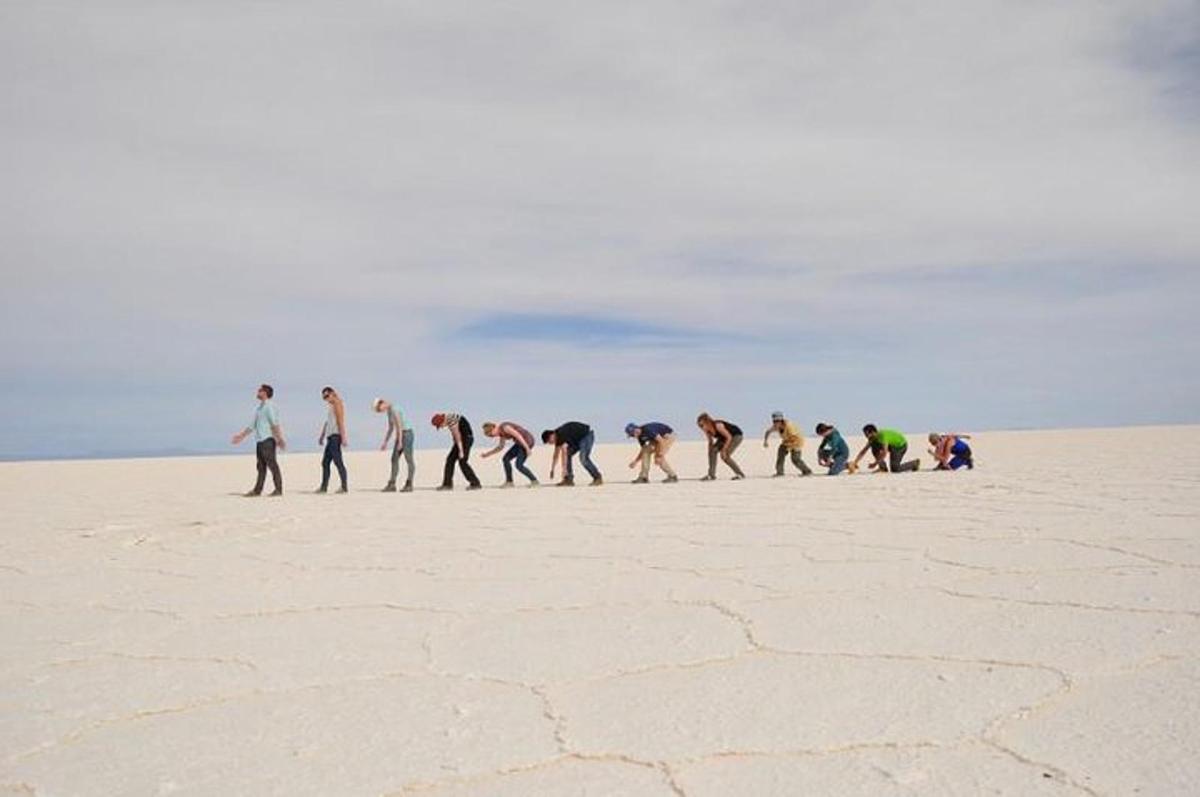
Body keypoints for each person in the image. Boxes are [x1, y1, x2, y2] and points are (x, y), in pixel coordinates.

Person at [230, 383, 286, 496]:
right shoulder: (259, 408)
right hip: (260, 441)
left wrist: (279, 439)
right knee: (260, 467)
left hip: (268, 440)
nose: (258, 392)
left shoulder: (269, 406)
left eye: (260, 390)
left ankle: (278, 490)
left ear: (265, 393)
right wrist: (240, 436)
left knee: (272, 465)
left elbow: (274, 424)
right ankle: (257, 490)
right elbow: (252, 426)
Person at [542, 422, 603, 486]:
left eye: (549, 441)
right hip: (576, 441)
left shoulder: (561, 434)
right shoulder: (558, 438)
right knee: (569, 454)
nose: (550, 443)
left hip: (586, 436)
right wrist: (552, 469)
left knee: (583, 458)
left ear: (552, 434)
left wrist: (564, 471)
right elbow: (556, 455)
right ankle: (569, 480)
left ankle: (597, 477)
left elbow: (564, 453)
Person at [432, 412, 482, 490]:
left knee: (462, 461)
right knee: (450, 460)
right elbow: (455, 436)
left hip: (466, 439)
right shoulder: (449, 418)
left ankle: (475, 483)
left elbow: (457, 435)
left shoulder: (451, 419)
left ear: (442, 421)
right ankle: (447, 484)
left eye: (440, 425)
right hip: (462, 440)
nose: (441, 427)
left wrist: (461, 451)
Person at [481, 421, 538, 487]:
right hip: (519, 443)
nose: (493, 436)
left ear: (494, 428)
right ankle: (509, 482)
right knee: (506, 459)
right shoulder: (501, 434)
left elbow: (518, 435)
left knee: (519, 465)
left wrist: (527, 448)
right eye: (491, 436)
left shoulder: (505, 427)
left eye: (492, 434)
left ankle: (534, 481)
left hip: (526, 441)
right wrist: (487, 454)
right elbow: (500, 447)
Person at [374, 398, 414, 492]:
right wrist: (385, 442)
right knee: (394, 459)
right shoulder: (389, 412)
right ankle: (392, 484)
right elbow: (391, 428)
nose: (380, 412)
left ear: (382, 403)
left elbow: (399, 426)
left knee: (409, 459)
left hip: (406, 434)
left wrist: (400, 442)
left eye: (379, 409)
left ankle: (409, 483)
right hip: (400, 435)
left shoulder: (394, 409)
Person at [317, 386, 349, 493]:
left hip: (336, 436)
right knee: (325, 462)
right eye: (324, 398)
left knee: (338, 462)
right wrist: (322, 435)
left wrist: (343, 437)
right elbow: (328, 422)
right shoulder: (330, 406)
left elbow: (340, 421)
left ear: (333, 393)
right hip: (330, 437)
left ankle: (344, 487)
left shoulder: (337, 404)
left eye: (327, 396)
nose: (326, 399)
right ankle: (323, 487)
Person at [852, 424, 920, 473]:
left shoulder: (882, 436)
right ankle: (883, 468)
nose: (866, 437)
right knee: (874, 447)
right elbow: (864, 451)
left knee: (895, 469)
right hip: (891, 445)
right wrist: (855, 462)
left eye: (867, 435)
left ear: (873, 432)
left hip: (900, 446)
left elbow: (884, 453)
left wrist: (875, 463)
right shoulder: (872, 439)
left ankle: (914, 463)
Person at [762, 411, 813, 477]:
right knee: (780, 455)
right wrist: (766, 441)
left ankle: (807, 471)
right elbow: (768, 432)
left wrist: (790, 447)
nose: (776, 423)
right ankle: (780, 472)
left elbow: (794, 437)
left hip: (797, 442)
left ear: (781, 420)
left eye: (778, 421)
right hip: (787, 442)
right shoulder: (776, 426)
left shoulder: (789, 426)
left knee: (795, 459)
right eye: (774, 421)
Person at [697, 413, 746, 480]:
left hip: (735, 436)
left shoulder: (718, 425)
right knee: (713, 451)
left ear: (707, 422)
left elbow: (729, 437)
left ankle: (740, 474)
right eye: (699, 426)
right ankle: (711, 475)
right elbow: (710, 442)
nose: (701, 427)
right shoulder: (706, 430)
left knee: (725, 456)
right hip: (723, 438)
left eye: (702, 425)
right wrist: (710, 451)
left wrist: (724, 450)